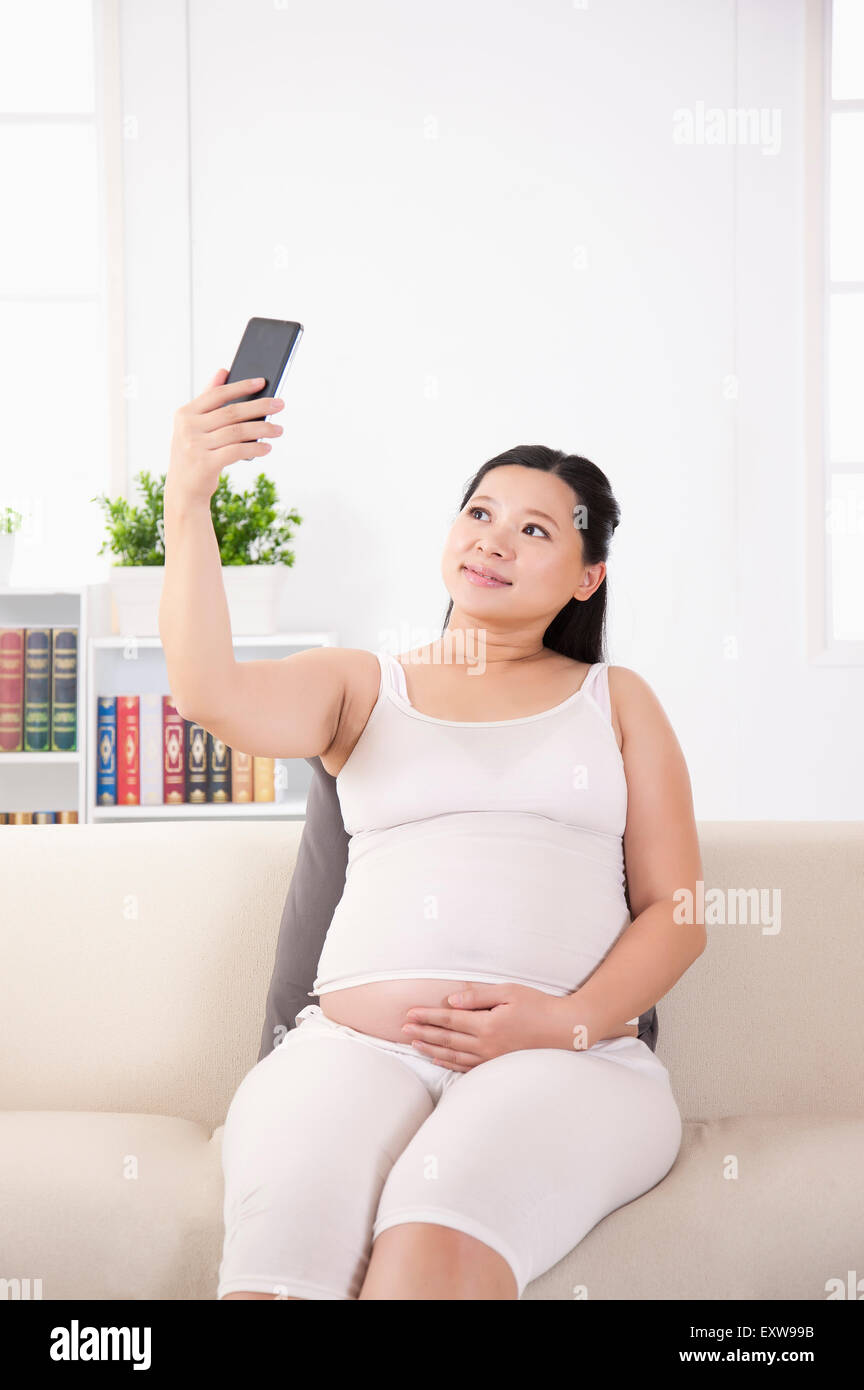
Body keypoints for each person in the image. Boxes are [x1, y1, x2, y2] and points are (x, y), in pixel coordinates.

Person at [160, 371, 706, 1300]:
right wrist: (189, 494)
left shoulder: (616, 703)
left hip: (565, 1063)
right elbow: (213, 695)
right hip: (349, 1054)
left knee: (429, 1260)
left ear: (587, 576)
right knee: (276, 1278)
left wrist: (561, 1022)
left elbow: (678, 910)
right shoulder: (362, 686)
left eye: (535, 529)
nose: (494, 538)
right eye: (480, 512)